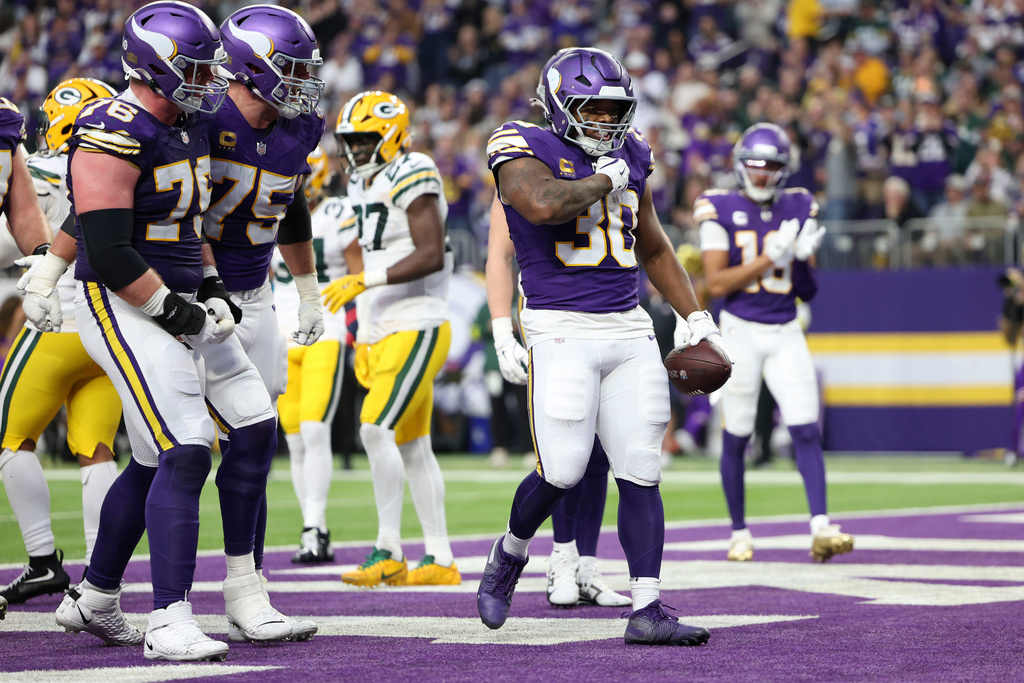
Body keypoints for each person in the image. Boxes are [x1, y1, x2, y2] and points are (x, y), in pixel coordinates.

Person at [475, 47, 723, 646]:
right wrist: (601, 179)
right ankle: (510, 554)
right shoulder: (521, 144)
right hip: (559, 326)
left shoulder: (633, 152)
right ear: (560, 107)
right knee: (561, 471)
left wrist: (697, 318)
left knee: (641, 467)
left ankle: (647, 605)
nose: (607, 124)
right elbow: (541, 204)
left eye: (617, 111)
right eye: (594, 110)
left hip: (628, 325)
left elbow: (655, 246)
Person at [20, 1, 235, 661]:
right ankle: (170, 618)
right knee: (188, 445)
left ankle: (96, 596)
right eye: (194, 68)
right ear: (156, 67)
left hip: (164, 289)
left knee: (148, 458)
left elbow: (183, 220)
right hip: (118, 298)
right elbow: (107, 245)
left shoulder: (185, 122)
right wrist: (176, 310)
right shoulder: (113, 127)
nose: (207, 80)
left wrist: (210, 283)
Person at [200, 4, 326, 642]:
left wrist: (306, 290)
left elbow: (291, 202)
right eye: (294, 69)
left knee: (256, 443)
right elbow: (175, 210)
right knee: (172, 452)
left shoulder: (296, 130)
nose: (306, 83)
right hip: (194, 302)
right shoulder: (202, 116)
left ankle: (248, 584)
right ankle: (103, 582)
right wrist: (206, 286)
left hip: (258, 298)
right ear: (251, 67)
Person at [695, 122, 853, 564]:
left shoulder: (801, 204)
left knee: (805, 426)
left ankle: (821, 526)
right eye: (755, 166)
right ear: (740, 165)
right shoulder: (718, 204)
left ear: (786, 170)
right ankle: (738, 531)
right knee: (737, 434)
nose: (763, 175)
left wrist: (799, 260)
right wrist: (772, 256)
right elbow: (716, 282)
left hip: (785, 329)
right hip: (740, 329)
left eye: (772, 167)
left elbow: (808, 290)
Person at [323, 90, 459, 587]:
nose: (354, 150)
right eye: (349, 141)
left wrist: (365, 282)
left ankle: (388, 549)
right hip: (384, 326)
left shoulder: (413, 168)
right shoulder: (362, 183)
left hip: (417, 319)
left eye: (363, 140)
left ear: (392, 135)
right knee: (412, 445)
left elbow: (430, 253)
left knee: (374, 429)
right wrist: (362, 325)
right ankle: (440, 558)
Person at [0, 78, 123, 608]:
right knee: (96, 452)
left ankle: (43, 561)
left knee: (9, 439)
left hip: (54, 324)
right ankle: (95, 584)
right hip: (111, 324)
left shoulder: (46, 166)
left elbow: (21, 231)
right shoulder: (128, 169)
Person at [486, 187, 629, 608]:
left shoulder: (614, 161)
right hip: (553, 318)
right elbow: (499, 253)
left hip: (608, 317)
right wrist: (500, 329)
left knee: (601, 452)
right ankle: (561, 557)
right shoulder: (525, 163)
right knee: (567, 449)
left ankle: (587, 565)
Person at [271, 146, 359, 563]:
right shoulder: (269, 204)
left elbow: (357, 276)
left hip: (328, 326)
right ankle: (315, 527)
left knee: (314, 429)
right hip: (281, 331)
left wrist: (360, 330)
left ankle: (314, 526)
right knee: (294, 439)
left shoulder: (339, 212)